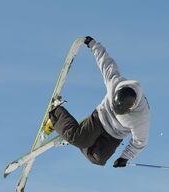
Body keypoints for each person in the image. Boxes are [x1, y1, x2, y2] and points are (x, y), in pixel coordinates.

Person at [45, 36, 150, 168]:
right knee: (78, 138)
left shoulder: (141, 117)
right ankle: (56, 112)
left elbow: (140, 141)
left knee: (98, 160)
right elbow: (106, 63)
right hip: (100, 119)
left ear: (131, 108)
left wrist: (125, 157)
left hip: (115, 135)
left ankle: (78, 138)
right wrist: (93, 44)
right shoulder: (115, 83)